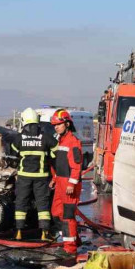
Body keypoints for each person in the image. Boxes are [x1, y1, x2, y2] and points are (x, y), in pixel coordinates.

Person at [11, 108, 58, 240]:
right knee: (42, 204)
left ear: (24, 121)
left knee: (21, 203)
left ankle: (19, 232)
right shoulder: (46, 138)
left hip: (24, 177)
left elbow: (13, 155)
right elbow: (56, 154)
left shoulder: (19, 139)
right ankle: (44, 233)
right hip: (41, 177)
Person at [49, 109, 83, 255]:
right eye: (54, 125)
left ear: (67, 124)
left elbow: (76, 165)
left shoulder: (73, 142)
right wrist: (55, 178)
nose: (56, 127)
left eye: (59, 124)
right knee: (56, 213)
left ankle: (70, 248)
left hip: (69, 185)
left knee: (68, 216)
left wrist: (71, 184)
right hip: (60, 183)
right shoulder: (61, 141)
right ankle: (73, 239)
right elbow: (60, 164)